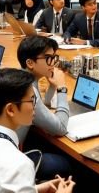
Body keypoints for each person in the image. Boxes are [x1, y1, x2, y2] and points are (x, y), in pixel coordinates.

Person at [15, 36, 73, 179]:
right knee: (66, 164)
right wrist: (62, 88)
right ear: (30, 63)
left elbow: (41, 106)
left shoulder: (19, 77)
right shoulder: (29, 91)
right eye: (48, 58)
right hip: (13, 161)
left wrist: (52, 86)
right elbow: (60, 128)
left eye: (54, 57)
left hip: (3, 150)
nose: (53, 63)